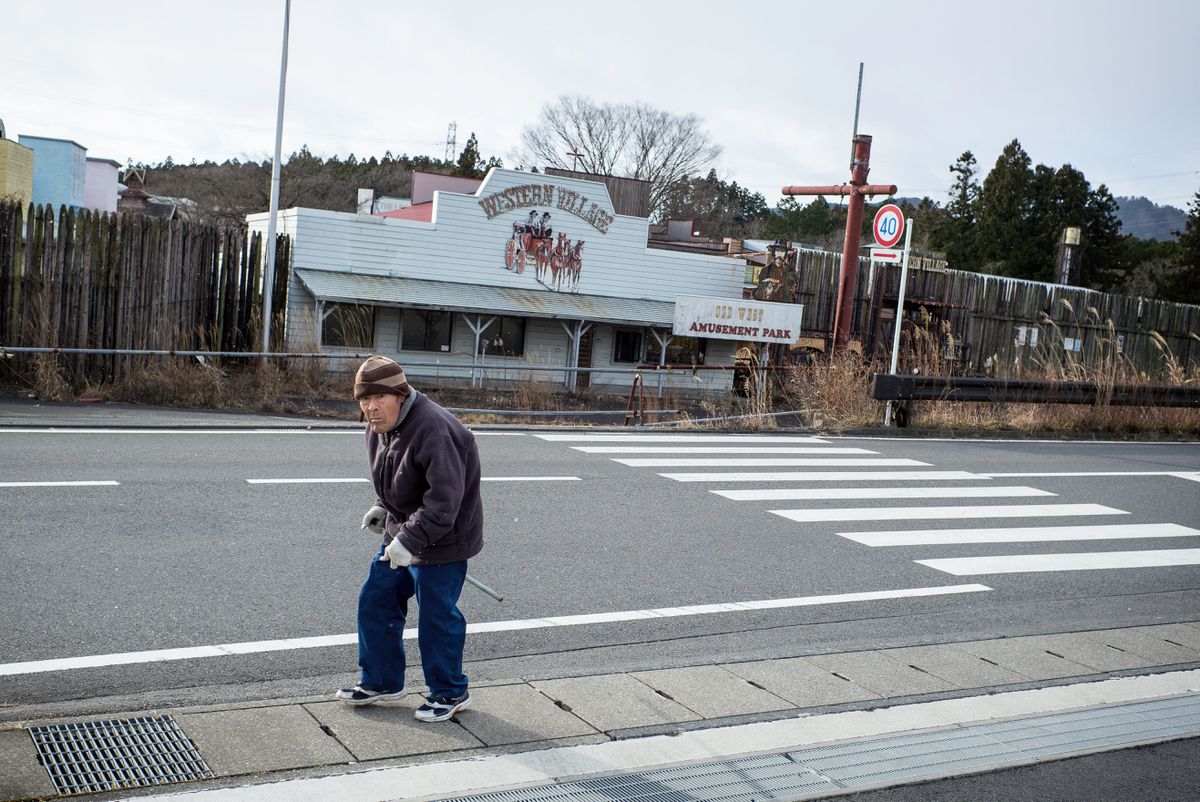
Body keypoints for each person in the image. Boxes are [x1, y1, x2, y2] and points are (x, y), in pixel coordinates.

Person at [337, 355, 484, 722]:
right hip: (403, 531)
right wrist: (382, 506)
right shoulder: (378, 425)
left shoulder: (433, 429)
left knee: (436, 615)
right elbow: (398, 477)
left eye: (380, 397)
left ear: (400, 395)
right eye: (363, 399)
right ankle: (382, 680)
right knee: (376, 598)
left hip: (445, 538)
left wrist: (407, 541)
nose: (370, 407)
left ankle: (450, 691)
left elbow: (444, 502)